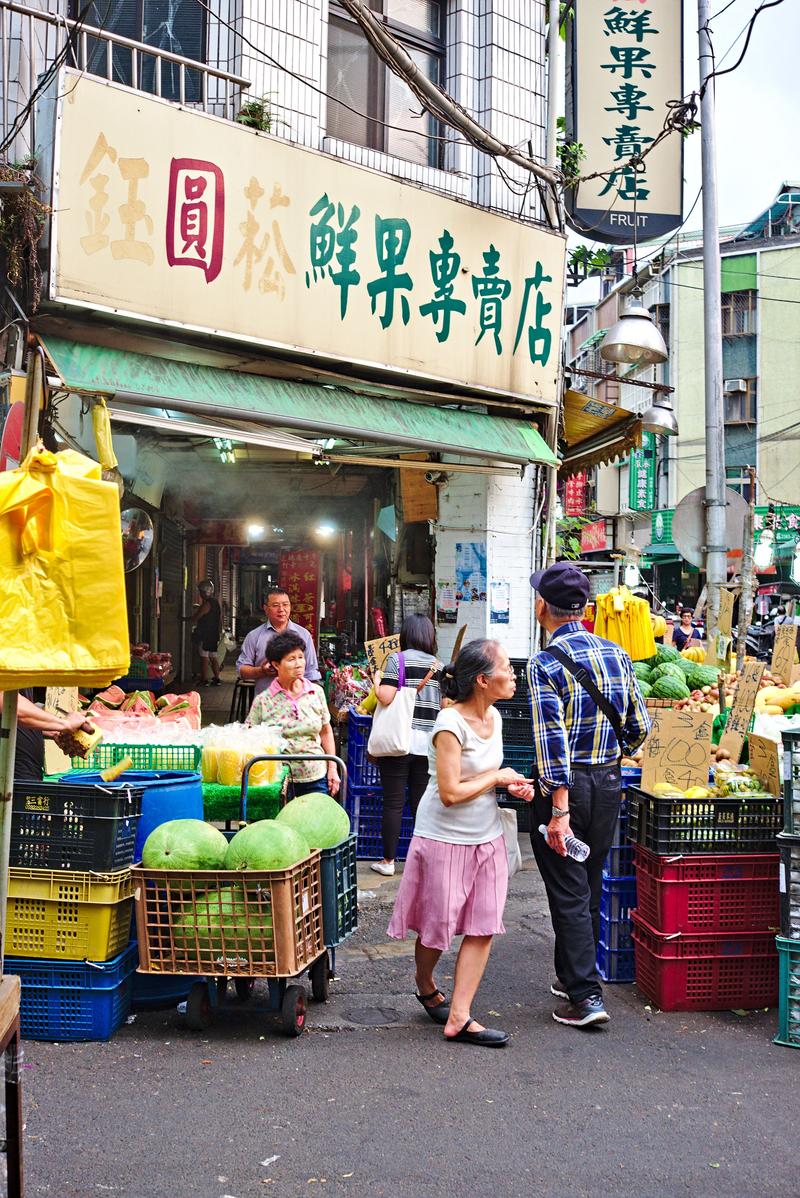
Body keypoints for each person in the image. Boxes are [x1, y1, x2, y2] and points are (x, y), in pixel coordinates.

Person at [388, 639, 533, 1048]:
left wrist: (513, 786)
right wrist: (497, 778)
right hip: (443, 838)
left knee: (483, 925)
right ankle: (425, 982)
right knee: (438, 930)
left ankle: (459, 1016)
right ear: (483, 680)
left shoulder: (498, 719)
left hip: (487, 836)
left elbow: (488, 778)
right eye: (507, 667)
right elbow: (450, 792)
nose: (513, 674)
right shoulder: (448, 724)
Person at [527, 563, 651, 1030]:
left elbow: (551, 743)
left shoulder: (545, 663)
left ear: (543, 608)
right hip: (608, 781)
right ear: (585, 609)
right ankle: (573, 976)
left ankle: (584, 995)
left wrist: (558, 810)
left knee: (567, 887)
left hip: (568, 787)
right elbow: (638, 728)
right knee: (589, 878)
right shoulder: (617, 654)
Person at [370, 615, 443, 878]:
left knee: (393, 803)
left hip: (398, 741)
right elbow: (444, 705)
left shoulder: (396, 660)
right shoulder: (438, 665)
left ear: (406, 635)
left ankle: (388, 861)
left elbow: (386, 697)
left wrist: (377, 682)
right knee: (420, 804)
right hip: (428, 745)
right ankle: (421, 863)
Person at [247, 631, 339, 798]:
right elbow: (250, 739)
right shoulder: (263, 701)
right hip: (277, 781)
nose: (299, 664)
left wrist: (332, 768)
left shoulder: (316, 692)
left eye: (301, 657)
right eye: (291, 659)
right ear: (276, 664)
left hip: (315, 777)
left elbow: (326, 731)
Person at [237, 589, 320, 700]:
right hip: (267, 705)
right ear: (266, 609)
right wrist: (262, 671)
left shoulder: (304, 635)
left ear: (290, 607)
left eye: (285, 604)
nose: (281, 609)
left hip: (298, 706)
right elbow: (242, 670)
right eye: (275, 605)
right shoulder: (254, 636)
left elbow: (311, 672)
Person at [0, 689, 97, 780]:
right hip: (7, 776)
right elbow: (4, 700)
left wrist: (51, 730)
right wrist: (63, 724)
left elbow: (11, 716)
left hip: (23, 771)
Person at [191, 580, 222, 686]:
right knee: (213, 656)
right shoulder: (216, 603)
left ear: (205, 592)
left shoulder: (208, 604)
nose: (200, 594)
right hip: (213, 634)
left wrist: (186, 619)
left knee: (204, 657)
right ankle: (217, 678)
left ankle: (204, 680)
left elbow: (197, 616)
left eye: (201, 592)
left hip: (205, 635)